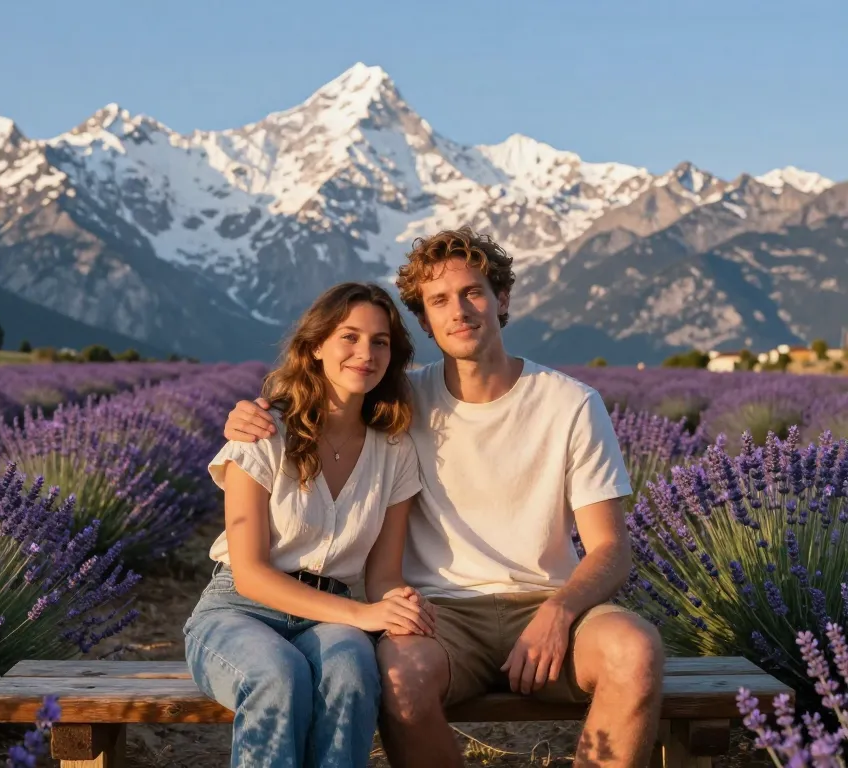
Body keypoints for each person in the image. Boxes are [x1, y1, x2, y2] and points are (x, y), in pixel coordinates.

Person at [221, 227, 666, 768]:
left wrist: (560, 609)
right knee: (398, 679)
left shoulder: (571, 404)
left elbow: (610, 549)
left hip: (547, 604)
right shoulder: (399, 404)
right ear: (425, 320)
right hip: (443, 615)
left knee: (636, 652)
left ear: (501, 300)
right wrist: (256, 412)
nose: (459, 311)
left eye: (473, 292)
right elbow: (322, 403)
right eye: (438, 301)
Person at [183, 281, 436, 768]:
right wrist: (365, 617)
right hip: (238, 609)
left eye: (380, 341)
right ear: (316, 346)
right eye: (349, 336)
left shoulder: (395, 450)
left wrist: (399, 605)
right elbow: (252, 572)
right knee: (277, 674)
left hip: (331, 615)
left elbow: (383, 575)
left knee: (353, 670)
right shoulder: (263, 432)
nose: (365, 352)